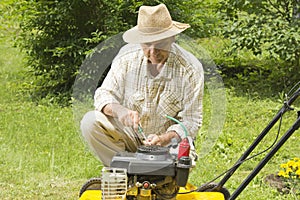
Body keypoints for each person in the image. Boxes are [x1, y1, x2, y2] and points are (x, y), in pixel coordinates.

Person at [80, 3, 204, 167]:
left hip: (167, 145)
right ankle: (124, 171)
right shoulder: (127, 57)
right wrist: (120, 111)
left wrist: (163, 138)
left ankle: (161, 180)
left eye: (159, 43)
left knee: (178, 161)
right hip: (130, 138)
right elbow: (104, 94)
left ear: (172, 38)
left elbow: (191, 122)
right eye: (147, 44)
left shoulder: (190, 69)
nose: (153, 52)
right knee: (90, 121)